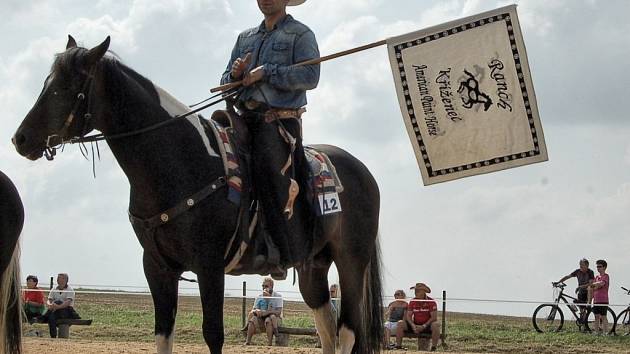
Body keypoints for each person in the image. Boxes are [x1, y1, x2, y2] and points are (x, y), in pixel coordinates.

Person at [219, 0, 320, 274]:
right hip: (242, 116)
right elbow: (225, 82)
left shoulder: (301, 34)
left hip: (277, 121)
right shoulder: (245, 38)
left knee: (271, 173)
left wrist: (267, 72)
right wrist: (235, 75)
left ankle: (280, 250)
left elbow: (311, 76)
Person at [40, 273, 80, 338]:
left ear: (65, 280)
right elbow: (49, 300)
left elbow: (68, 302)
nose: (58, 280)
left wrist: (57, 306)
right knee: (51, 317)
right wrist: (50, 305)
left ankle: (44, 316)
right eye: (58, 278)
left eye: (60, 278)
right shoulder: (54, 289)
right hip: (55, 311)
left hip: (66, 311)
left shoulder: (70, 290)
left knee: (58, 302)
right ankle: (53, 336)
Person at [245, 277, 283, 345]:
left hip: (274, 318)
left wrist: (268, 312)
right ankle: (247, 341)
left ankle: (269, 343)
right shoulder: (259, 296)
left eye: (266, 286)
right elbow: (254, 309)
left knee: (268, 321)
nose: (264, 288)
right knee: (252, 320)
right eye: (263, 286)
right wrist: (257, 310)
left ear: (271, 286)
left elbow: (278, 312)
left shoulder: (278, 296)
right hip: (261, 316)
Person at [405, 283, 440, 352]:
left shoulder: (431, 301)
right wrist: (413, 325)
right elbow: (408, 316)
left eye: (418, 290)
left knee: (436, 325)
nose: (415, 292)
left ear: (424, 291)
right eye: (415, 290)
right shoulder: (413, 301)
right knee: (400, 323)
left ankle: (433, 348)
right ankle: (398, 347)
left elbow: (434, 317)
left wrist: (424, 326)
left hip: (427, 326)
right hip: (415, 325)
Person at [589, 259, 610, 335]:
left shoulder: (606, 276)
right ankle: (596, 332)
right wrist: (594, 285)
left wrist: (594, 285)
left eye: (600, 266)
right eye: (597, 266)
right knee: (596, 317)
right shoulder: (596, 277)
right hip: (596, 300)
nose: (598, 268)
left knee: (603, 317)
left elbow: (601, 284)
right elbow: (593, 286)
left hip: (603, 300)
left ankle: (605, 332)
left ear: (604, 267)